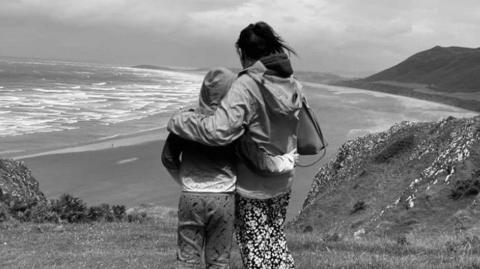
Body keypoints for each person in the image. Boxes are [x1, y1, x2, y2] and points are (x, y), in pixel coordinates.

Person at [167, 22, 302, 268]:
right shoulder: (291, 83)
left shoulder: (247, 84)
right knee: (274, 243)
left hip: (253, 182)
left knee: (257, 252)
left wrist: (179, 121)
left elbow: (219, 131)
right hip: (283, 176)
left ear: (243, 53)